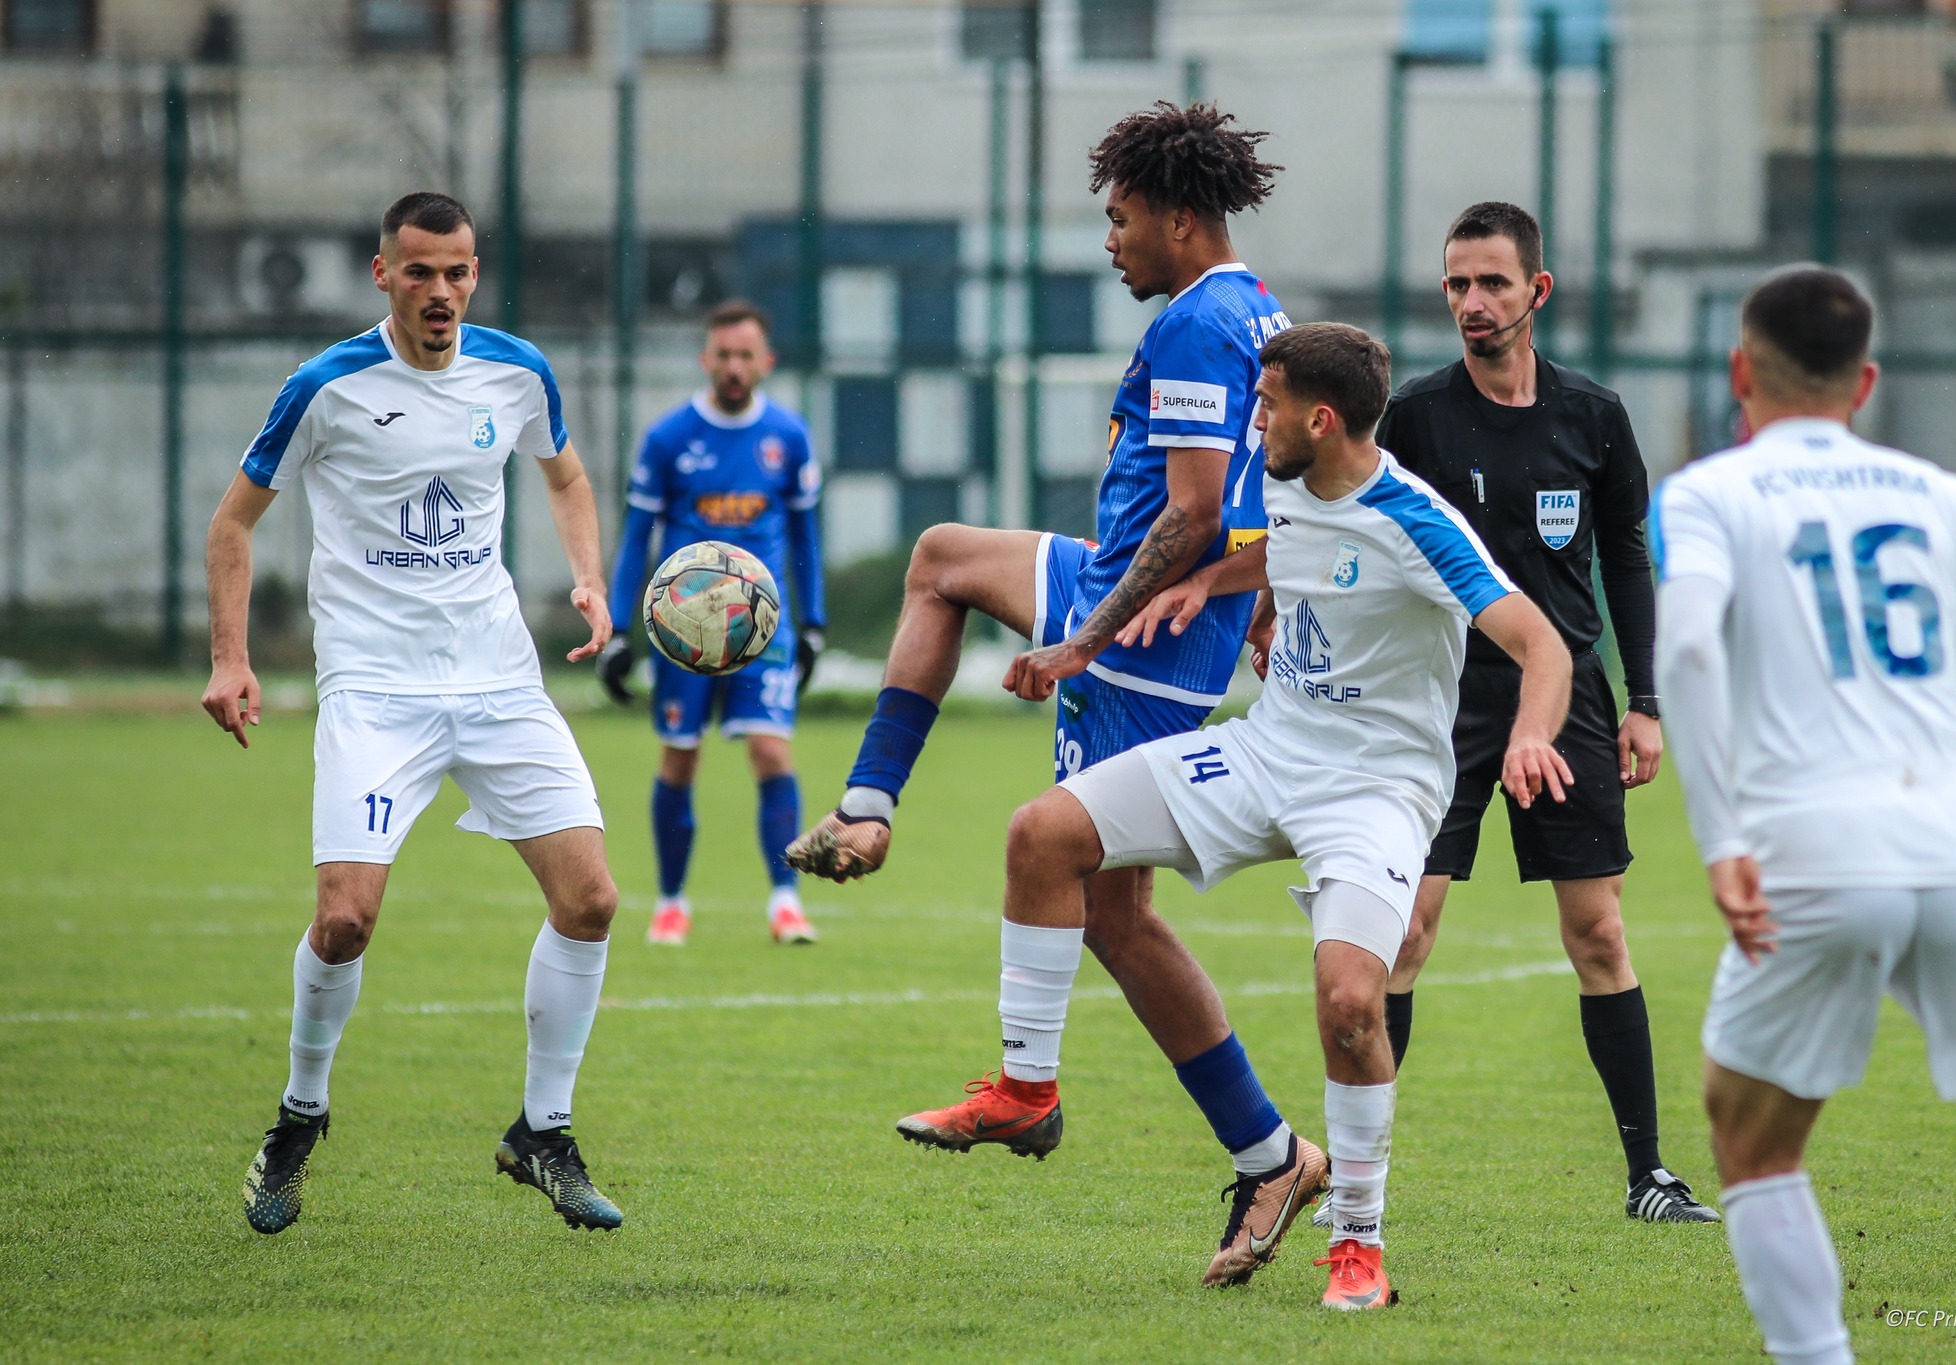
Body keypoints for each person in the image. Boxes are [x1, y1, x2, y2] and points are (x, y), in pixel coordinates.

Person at [899, 324, 1573, 1308]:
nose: (1252, 418)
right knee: (1041, 835)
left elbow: (1539, 644)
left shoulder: (1416, 522)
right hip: (1265, 753)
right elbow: (1278, 551)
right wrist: (1217, 588)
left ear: (1321, 417)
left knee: (1350, 1003)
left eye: (1266, 405)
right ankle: (1025, 1091)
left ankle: (1357, 1246)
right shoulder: (1285, 477)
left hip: (1376, 790)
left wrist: (1530, 736)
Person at [784, 101, 1318, 1283]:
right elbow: (1258, 483)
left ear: (1180, 220)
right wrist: (1258, 586)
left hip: (1137, 630)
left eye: (1120, 218)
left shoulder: (1194, 325)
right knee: (939, 560)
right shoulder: (1249, 306)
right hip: (1138, 591)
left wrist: (1086, 640)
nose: (1109, 240)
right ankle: (869, 803)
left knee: (1104, 906)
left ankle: (1039, 1093)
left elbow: (1188, 504)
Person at [202, 192, 624, 1235]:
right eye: (422, 272)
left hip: (496, 683)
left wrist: (588, 579)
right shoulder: (327, 386)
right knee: (345, 921)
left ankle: (543, 1131)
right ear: (381, 272)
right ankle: (299, 1117)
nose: (442, 292)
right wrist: (230, 658)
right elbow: (233, 523)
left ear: (476, 274)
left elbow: (565, 474)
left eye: (460, 272)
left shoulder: (516, 370)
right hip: (376, 691)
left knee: (593, 901)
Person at [1655, 266, 1956, 1365]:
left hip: (1812, 857)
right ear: (1863, 381)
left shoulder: (1706, 492)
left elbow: (1684, 647)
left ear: (1740, 374)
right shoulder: (1939, 494)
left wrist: (1721, 838)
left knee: (1748, 1135)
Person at [1373, 201, 1715, 1222]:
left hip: (1563, 696)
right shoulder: (1416, 419)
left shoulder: (1592, 416)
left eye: (1489, 283)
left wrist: (1643, 702)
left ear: (1537, 291)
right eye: (1454, 284)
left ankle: (1646, 1175)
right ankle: (1357, 1187)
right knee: (1405, 930)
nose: (1470, 302)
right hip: (1440, 700)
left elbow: (1625, 559)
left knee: (1597, 933)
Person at [597, 301, 826, 947]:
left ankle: (786, 899)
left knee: (770, 749)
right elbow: (637, 535)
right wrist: (619, 630)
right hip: (684, 636)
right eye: (722, 354)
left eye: (744, 355)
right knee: (680, 757)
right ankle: (670, 902)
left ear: (766, 362)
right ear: (705, 359)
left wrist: (814, 623)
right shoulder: (669, 439)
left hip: (763, 631)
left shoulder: (789, 435)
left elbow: (808, 533)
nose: (733, 366)